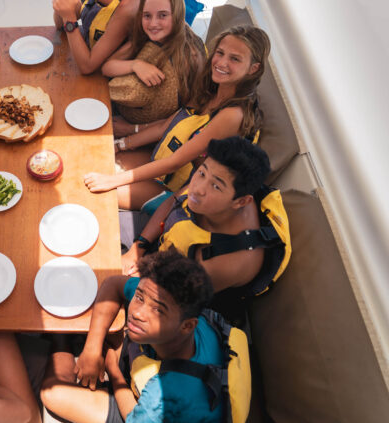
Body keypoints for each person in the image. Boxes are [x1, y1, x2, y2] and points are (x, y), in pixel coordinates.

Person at [41, 250, 245, 423]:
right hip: (160, 363)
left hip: (162, 412)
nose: (138, 312)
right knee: (112, 324)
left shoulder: (167, 395)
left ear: (187, 325)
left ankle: (59, 339)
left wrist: (114, 372)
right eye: (139, 297)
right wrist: (92, 349)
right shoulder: (180, 309)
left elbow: (133, 416)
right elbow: (113, 284)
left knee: (52, 394)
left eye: (158, 310)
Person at [84, 25, 271, 211]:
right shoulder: (211, 88)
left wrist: (112, 181)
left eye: (235, 59)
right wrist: (121, 144)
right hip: (162, 160)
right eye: (220, 52)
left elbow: (176, 162)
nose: (221, 62)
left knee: (95, 193)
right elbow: (166, 126)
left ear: (253, 68)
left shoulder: (233, 115)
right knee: (95, 160)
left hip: (178, 187)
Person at [122, 137, 290, 322]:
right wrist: (139, 247)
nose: (198, 189)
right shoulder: (209, 183)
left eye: (216, 186)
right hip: (159, 249)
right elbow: (173, 202)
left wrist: (142, 272)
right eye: (202, 173)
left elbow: (168, 301)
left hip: (175, 295)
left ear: (241, 202)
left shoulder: (227, 261)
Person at [102, 0, 205, 132]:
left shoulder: (191, 57)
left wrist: (131, 130)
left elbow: (185, 115)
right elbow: (106, 67)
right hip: (125, 113)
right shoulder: (145, 37)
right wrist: (136, 65)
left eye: (162, 15)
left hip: (154, 131)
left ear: (176, 15)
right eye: (147, 16)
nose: (153, 23)